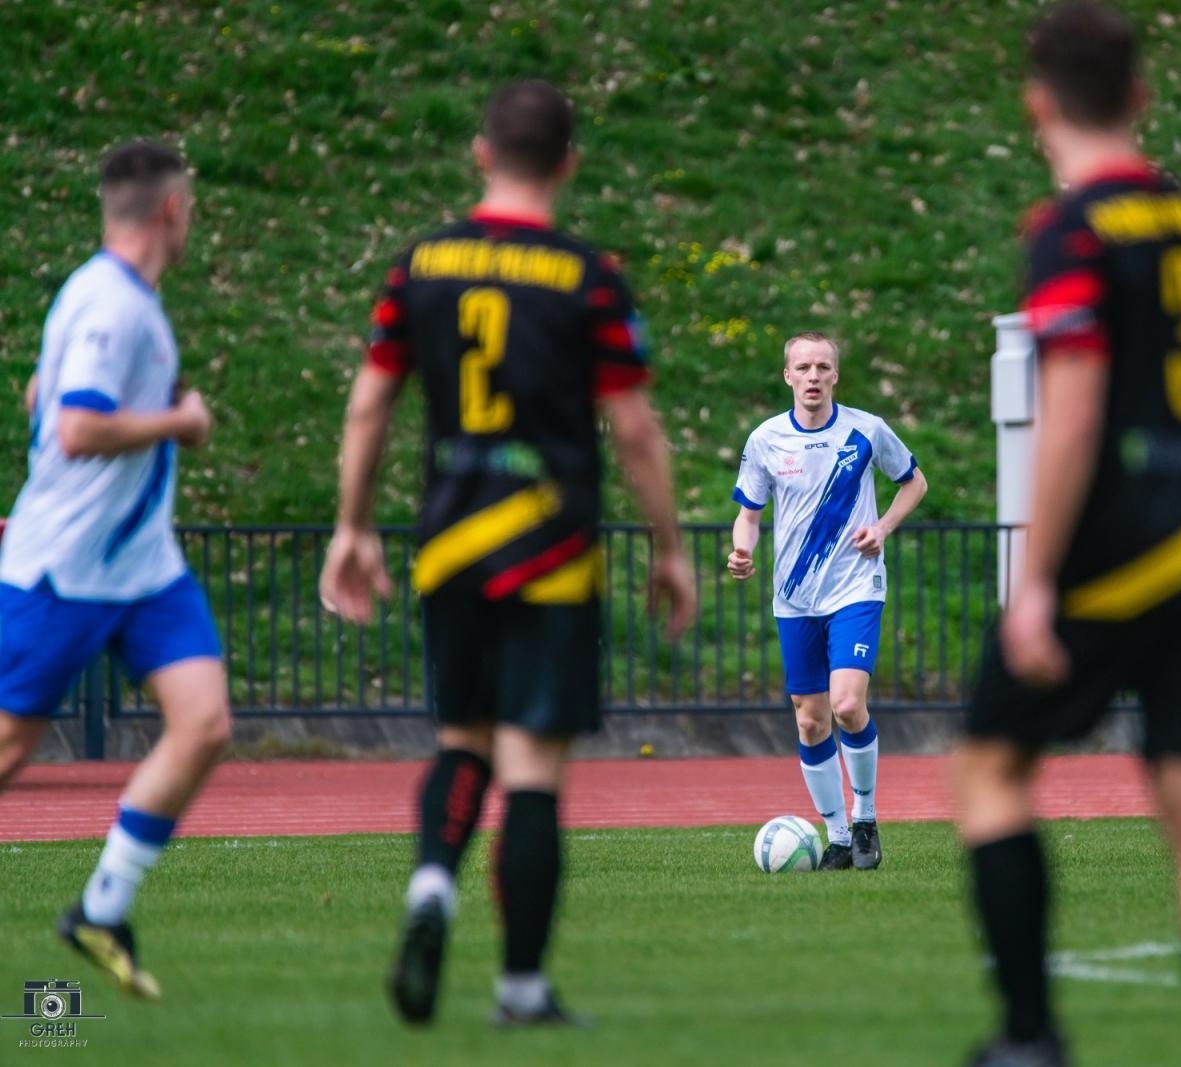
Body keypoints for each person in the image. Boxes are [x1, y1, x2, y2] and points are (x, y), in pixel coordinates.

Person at [319, 79, 696, 1028]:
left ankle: (431, 889)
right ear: (569, 163)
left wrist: (352, 526)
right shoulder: (588, 275)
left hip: (449, 544)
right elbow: (636, 429)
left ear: (482, 154)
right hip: (554, 553)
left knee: (462, 742)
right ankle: (522, 988)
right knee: (532, 764)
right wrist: (669, 547)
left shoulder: (420, 266)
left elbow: (370, 404)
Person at [954, 4, 1181, 1065]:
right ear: (1139, 97)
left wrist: (1035, 577)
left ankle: (1030, 1036)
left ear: (1036, 103)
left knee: (994, 768)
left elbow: (1075, 404)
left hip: (1103, 559)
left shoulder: (1069, 230)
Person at [0, 141, 230, 1000]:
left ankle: (101, 906)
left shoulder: (113, 297)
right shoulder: (113, 305)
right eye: (192, 205)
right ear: (170, 210)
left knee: (204, 724)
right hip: (67, 563)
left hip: (140, 564)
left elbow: (39, 396)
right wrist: (180, 420)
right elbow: (76, 428)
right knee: (13, 743)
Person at [727, 332, 928, 870]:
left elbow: (914, 482)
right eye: (803, 367)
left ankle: (865, 818)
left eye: (822, 367)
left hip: (855, 587)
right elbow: (749, 513)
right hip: (794, 599)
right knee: (812, 721)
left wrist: (882, 527)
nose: (813, 376)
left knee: (846, 705)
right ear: (787, 376)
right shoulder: (766, 439)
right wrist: (741, 551)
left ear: (835, 375)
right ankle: (837, 837)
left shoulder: (866, 430)